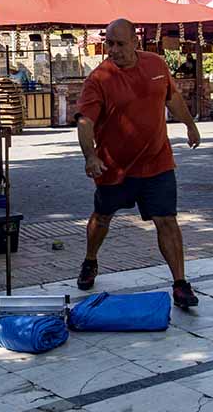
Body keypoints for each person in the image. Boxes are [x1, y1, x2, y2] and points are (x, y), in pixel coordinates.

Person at [75, 18, 201, 309]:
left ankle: (180, 284)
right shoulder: (99, 80)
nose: (113, 50)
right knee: (102, 217)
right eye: (109, 43)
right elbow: (85, 122)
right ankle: (91, 260)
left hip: (157, 162)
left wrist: (190, 126)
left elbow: (173, 98)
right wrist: (90, 156)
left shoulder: (156, 65)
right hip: (114, 167)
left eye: (120, 43)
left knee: (167, 220)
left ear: (135, 42)